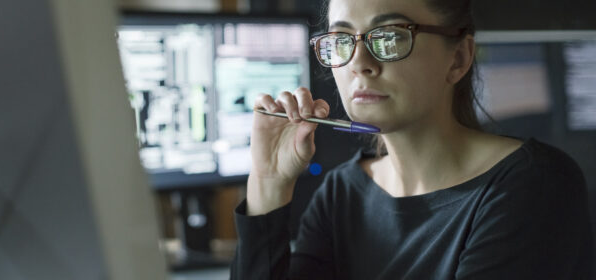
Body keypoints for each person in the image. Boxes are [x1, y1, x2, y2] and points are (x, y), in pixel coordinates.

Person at [230, 0, 594, 279]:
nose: (359, 63)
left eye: (389, 36)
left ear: (459, 58)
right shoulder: (341, 194)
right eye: (341, 40)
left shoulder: (535, 185)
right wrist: (269, 183)